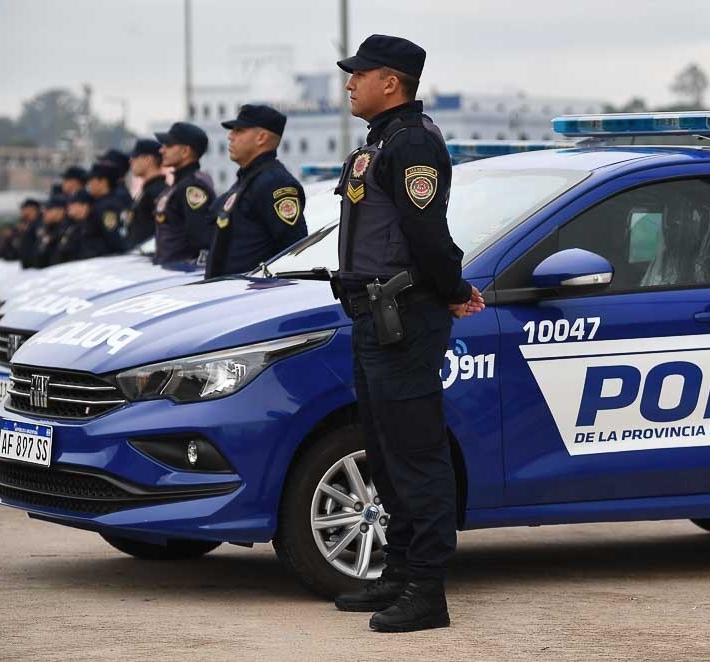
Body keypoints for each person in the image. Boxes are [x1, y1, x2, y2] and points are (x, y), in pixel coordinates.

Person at [330, 34, 485, 633]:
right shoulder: (383, 141)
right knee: (387, 450)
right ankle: (398, 572)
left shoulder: (413, 142)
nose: (349, 84)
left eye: (358, 75)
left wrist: (452, 290)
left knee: (417, 454)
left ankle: (427, 589)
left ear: (390, 82)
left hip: (404, 319)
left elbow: (427, 235)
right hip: (373, 317)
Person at [204, 104, 308, 278]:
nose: (230, 136)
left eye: (239, 131)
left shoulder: (276, 183)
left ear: (261, 137)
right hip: (229, 291)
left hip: (250, 294)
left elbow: (293, 248)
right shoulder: (247, 179)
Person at [152, 122, 216, 264]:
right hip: (169, 270)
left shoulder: (192, 187)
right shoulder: (178, 185)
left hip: (181, 273)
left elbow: (200, 237)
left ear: (185, 151)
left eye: (168, 145)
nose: (162, 150)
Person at [125, 139, 168, 247]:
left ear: (148, 159)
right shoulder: (147, 191)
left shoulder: (158, 192)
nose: (131, 161)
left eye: (135, 157)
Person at [82, 163, 127, 258]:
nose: (88, 184)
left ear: (103, 182)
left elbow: (113, 237)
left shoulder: (106, 206)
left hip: (102, 260)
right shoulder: (102, 203)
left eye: (91, 180)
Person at [54, 189, 92, 264]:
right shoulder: (72, 225)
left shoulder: (92, 226)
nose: (69, 207)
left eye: (73, 203)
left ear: (84, 206)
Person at [34, 194, 69, 268]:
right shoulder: (48, 229)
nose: (45, 213)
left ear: (61, 210)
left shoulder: (69, 229)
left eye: (49, 209)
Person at [15, 198, 42, 268]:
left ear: (32, 208)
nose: (22, 212)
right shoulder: (27, 224)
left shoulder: (40, 224)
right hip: (28, 267)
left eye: (24, 209)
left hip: (36, 267)